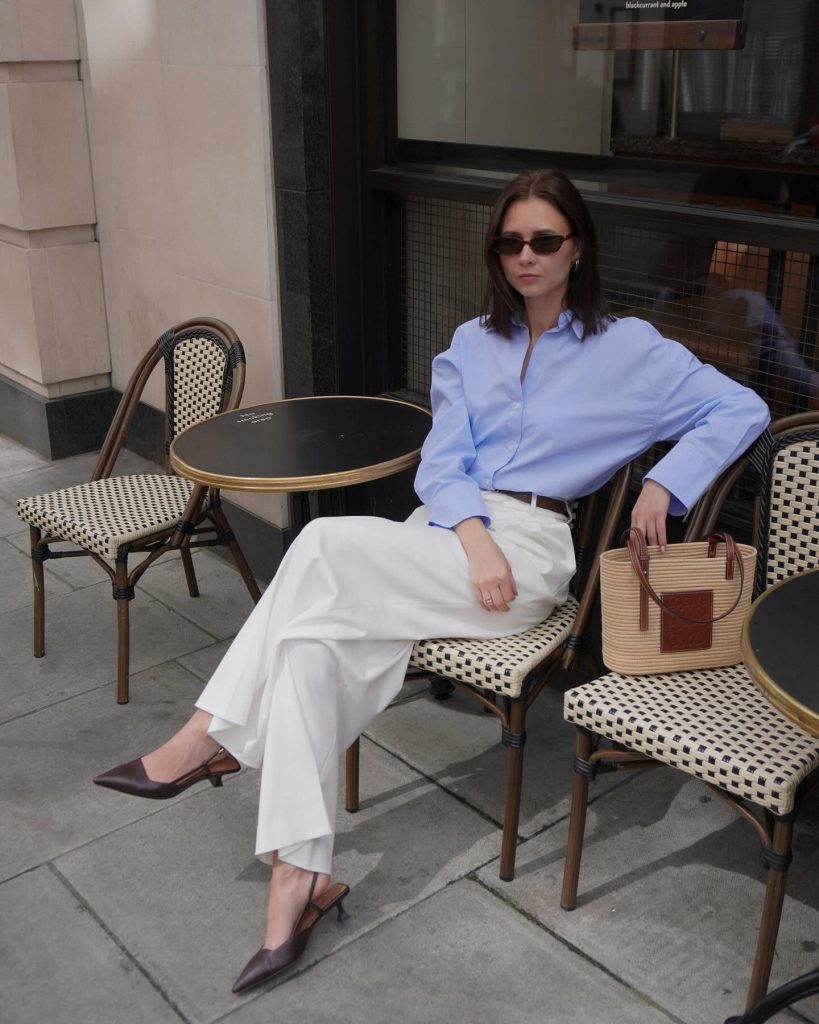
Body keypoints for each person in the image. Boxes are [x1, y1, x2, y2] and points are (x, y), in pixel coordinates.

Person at [92, 168, 770, 995]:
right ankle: (297, 884)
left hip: (530, 549)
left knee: (317, 546)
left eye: (543, 240)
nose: (526, 256)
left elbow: (739, 408)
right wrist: (471, 536)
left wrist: (667, 483)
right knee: (307, 652)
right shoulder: (468, 347)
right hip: (451, 539)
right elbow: (443, 464)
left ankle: (205, 739)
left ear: (576, 248)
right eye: (509, 242)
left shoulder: (628, 350)